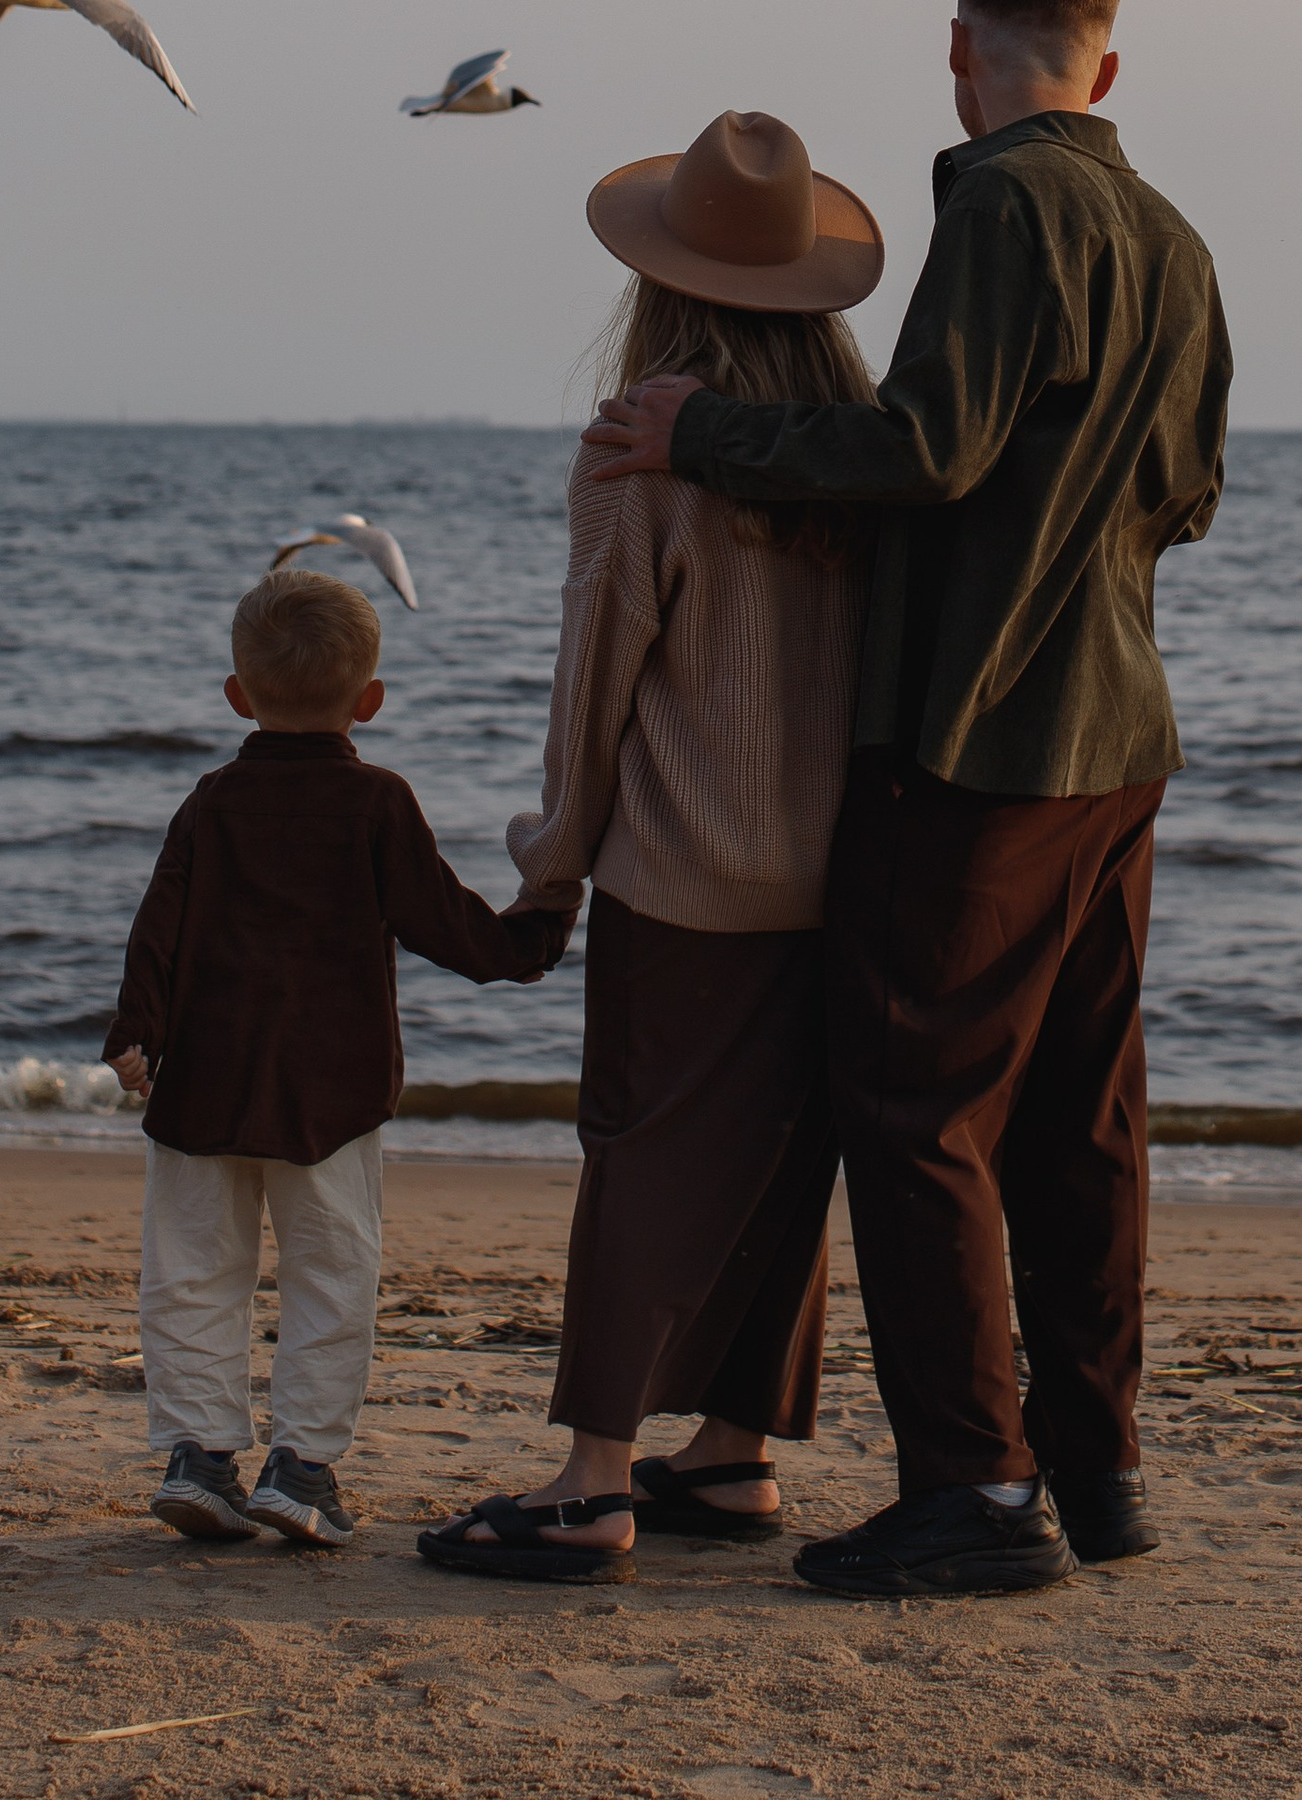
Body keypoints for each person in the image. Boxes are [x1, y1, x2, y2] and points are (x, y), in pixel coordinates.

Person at [583, 0, 1230, 1600]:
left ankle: (976, 1487)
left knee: (915, 1103)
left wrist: (699, 433)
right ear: (1110, 62)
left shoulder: (1007, 204)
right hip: (1119, 729)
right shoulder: (1171, 235)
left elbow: (927, 448)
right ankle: (1096, 1465)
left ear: (961, 53)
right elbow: (1193, 488)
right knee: (1083, 1120)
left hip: (978, 733)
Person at [417, 109, 883, 1584]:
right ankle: (734, 1452)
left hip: (685, 869)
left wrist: (551, 863)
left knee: (638, 1153)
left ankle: (593, 1480)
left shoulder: (641, 446)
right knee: (777, 1162)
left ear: (661, 283)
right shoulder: (869, 453)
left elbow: (597, 676)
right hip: (847, 877)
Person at [105, 562, 571, 1551]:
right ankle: (303, 1467)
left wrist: (134, 1030)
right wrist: (537, 928)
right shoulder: (377, 804)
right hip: (331, 1092)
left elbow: (159, 926)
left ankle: (198, 1453)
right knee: (330, 1273)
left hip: (205, 1083)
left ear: (238, 696)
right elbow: (446, 923)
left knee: (190, 1271)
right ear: (369, 701)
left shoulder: (211, 801)